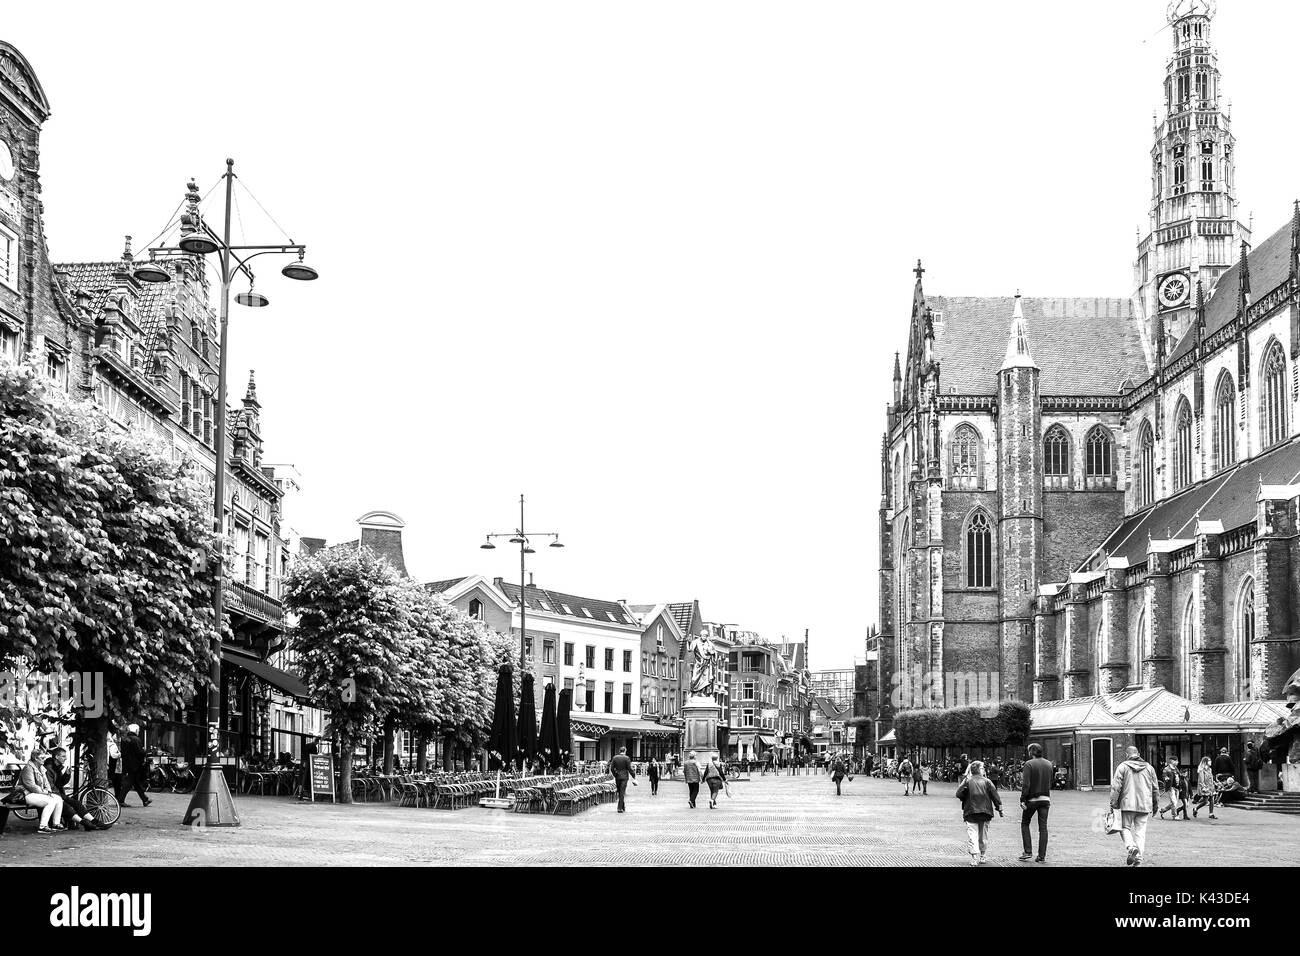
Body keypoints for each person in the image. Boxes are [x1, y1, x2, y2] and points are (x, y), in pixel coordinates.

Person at [1110, 745, 1160, 866]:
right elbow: (1155, 788)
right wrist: (1155, 805)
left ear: (1127, 755)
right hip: (1144, 805)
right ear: (1138, 753)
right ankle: (1139, 859)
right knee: (1140, 832)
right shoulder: (1149, 768)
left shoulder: (1122, 767)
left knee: (1124, 827)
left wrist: (1113, 804)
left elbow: (1116, 787)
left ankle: (1132, 848)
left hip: (1127, 804)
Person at [955, 760, 1003, 865]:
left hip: (970, 811)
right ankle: (983, 855)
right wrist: (1000, 808)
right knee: (983, 835)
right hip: (985, 812)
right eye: (983, 768)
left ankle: (974, 857)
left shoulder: (967, 781)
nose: (984, 770)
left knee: (972, 835)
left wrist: (964, 795)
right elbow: (995, 795)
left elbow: (958, 794)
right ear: (980, 770)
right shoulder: (987, 781)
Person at [44, 748, 103, 831]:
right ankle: (84, 823)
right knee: (68, 806)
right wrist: (61, 796)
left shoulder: (57, 767)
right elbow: (49, 786)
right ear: (57, 757)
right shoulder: (49, 768)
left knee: (76, 803)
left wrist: (67, 775)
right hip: (52, 794)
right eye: (63, 756)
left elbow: (60, 783)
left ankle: (94, 821)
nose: (66, 758)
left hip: (57, 793)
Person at [1018, 742, 1053, 862]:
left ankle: (1028, 851)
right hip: (1045, 799)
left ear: (1031, 752)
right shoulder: (1049, 764)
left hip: (1032, 799)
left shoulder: (1029, 764)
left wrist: (1023, 799)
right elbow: (1050, 782)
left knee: (1025, 823)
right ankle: (1041, 856)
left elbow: (1026, 784)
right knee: (1043, 827)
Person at [17, 749, 65, 833]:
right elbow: (31, 786)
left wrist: (49, 791)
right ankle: (42, 826)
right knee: (50, 801)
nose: (44, 759)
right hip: (26, 794)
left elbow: (46, 783)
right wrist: (45, 793)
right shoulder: (28, 768)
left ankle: (56, 824)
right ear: (35, 758)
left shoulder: (41, 768)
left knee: (58, 799)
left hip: (39, 793)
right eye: (42, 757)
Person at [116, 723, 150, 808]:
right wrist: (145, 752)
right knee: (129, 783)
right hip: (135, 764)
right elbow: (139, 752)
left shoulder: (125, 739)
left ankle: (145, 799)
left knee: (135, 782)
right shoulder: (136, 739)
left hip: (127, 764)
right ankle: (120, 800)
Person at [609, 746, 634, 813]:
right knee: (622, 792)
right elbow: (629, 768)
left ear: (619, 751)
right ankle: (620, 808)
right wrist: (634, 776)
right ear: (625, 751)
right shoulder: (627, 758)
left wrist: (615, 774)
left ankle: (622, 806)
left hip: (617, 777)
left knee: (620, 791)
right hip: (624, 777)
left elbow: (611, 768)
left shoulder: (615, 758)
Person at [1192, 755, 1218, 819]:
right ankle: (1196, 808)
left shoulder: (1210, 769)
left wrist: (1214, 783)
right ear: (1206, 762)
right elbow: (1201, 780)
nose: (1211, 762)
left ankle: (1211, 814)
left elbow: (1211, 778)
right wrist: (1203, 787)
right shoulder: (1202, 770)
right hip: (1205, 787)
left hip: (1210, 787)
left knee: (1212, 799)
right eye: (1209, 761)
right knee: (1205, 801)